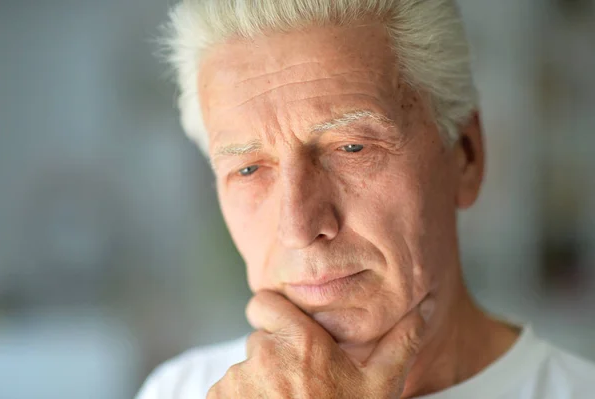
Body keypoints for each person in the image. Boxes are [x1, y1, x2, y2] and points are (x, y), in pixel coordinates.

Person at [136, 1, 595, 398]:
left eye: (352, 148)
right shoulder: (177, 390)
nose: (299, 226)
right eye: (249, 169)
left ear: (466, 157)